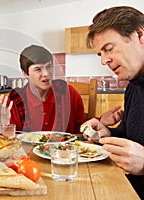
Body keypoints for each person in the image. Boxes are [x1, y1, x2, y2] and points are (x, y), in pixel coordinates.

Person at [81, 6, 144, 198]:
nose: (104, 61)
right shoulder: (133, 85)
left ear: (140, 35)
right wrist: (107, 133)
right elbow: (130, 136)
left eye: (108, 49)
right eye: (100, 54)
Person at [6, 44, 122, 134]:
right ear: (25, 73)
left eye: (49, 66)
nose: (46, 74)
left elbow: (79, 129)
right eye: (38, 69)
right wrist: (0, 124)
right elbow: (12, 138)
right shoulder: (15, 101)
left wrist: (101, 121)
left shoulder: (68, 93)